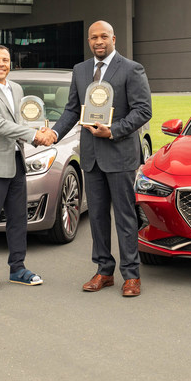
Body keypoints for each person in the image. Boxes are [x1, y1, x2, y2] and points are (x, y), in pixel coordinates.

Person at [48, 20, 152, 297]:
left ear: (113, 38)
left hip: (120, 156)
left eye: (103, 36)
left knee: (125, 218)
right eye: (93, 37)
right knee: (96, 218)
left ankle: (131, 275)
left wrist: (114, 130)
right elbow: (72, 110)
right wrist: (54, 134)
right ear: (89, 41)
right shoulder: (81, 71)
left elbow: (143, 111)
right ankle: (104, 270)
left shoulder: (132, 69)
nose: (98, 41)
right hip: (91, 157)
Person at [0, 44, 54, 290]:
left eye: (5, 60)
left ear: (10, 64)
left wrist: (40, 129)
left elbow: (22, 121)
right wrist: (35, 136)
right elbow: (0, 126)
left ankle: (18, 268)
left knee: (18, 219)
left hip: (16, 161)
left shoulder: (17, 89)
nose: (1, 64)